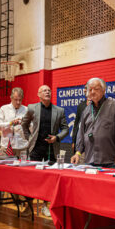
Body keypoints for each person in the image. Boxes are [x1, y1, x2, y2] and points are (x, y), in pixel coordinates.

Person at [21, 85, 69, 216]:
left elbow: (66, 128)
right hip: (36, 148)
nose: (47, 92)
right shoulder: (32, 108)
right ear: (39, 94)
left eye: (49, 90)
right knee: (32, 178)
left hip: (51, 149)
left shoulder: (59, 110)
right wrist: (29, 138)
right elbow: (24, 124)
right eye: (44, 91)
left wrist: (57, 137)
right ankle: (28, 205)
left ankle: (45, 206)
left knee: (49, 180)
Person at [71, 78, 115, 167]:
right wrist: (78, 153)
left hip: (109, 159)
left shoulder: (113, 106)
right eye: (90, 89)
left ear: (103, 90)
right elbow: (81, 134)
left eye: (96, 89)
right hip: (90, 158)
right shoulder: (86, 110)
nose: (92, 92)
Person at [0, 87, 28, 157]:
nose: (18, 102)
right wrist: (10, 123)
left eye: (20, 100)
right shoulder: (3, 109)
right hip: (6, 147)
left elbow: (32, 128)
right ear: (11, 98)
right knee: (4, 168)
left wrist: (24, 124)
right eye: (16, 100)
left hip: (22, 147)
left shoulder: (27, 110)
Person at [71, 84, 89, 153]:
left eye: (86, 88)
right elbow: (76, 125)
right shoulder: (81, 105)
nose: (84, 90)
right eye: (84, 88)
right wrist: (74, 141)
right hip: (80, 141)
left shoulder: (97, 105)